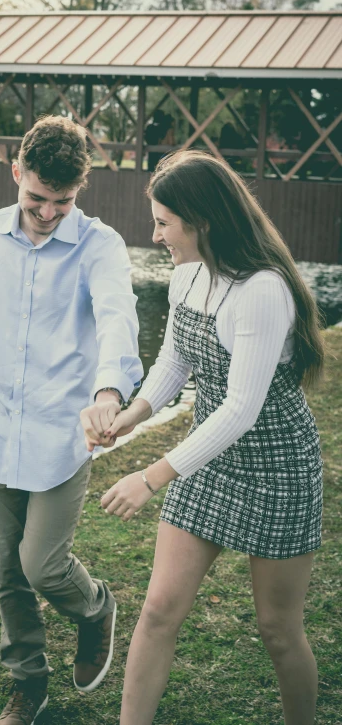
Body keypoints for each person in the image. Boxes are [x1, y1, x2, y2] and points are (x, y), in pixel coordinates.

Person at [0, 115, 143, 725]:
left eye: (61, 202)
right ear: (16, 173)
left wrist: (110, 390)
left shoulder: (102, 246)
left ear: (80, 191)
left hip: (62, 437)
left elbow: (119, 317)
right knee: (6, 574)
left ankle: (95, 609)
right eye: (36, 197)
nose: (46, 213)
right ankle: (28, 685)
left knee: (42, 565)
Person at [83, 149, 324, 725]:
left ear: (202, 221)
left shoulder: (262, 290)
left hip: (276, 467)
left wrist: (150, 476)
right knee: (160, 609)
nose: (156, 232)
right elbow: (174, 360)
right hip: (209, 461)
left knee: (278, 630)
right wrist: (132, 414)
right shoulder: (187, 273)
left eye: (164, 221)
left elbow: (240, 409)